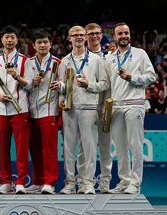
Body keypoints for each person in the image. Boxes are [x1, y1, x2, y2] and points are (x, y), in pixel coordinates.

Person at [103, 23, 156, 194]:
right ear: (115, 37)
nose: (123, 36)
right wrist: (106, 109)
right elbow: (107, 84)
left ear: (130, 35)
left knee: (135, 145)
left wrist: (132, 77)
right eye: (120, 33)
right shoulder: (110, 58)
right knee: (120, 147)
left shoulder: (140, 54)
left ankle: (135, 183)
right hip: (116, 105)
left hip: (134, 104)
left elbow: (151, 76)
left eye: (126, 33)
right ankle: (124, 182)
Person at [59, 26, 109, 195]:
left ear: (86, 37)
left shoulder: (96, 60)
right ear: (69, 38)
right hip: (70, 109)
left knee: (89, 148)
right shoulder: (64, 61)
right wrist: (60, 93)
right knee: (69, 148)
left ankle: (87, 183)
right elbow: (62, 87)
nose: (78, 38)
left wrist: (89, 85)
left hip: (89, 107)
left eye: (81, 35)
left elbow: (104, 84)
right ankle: (70, 183)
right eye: (75, 35)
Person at [0, 25, 33, 194]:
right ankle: (6, 182)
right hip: (0, 110)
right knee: (3, 149)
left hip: (20, 110)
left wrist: (17, 77)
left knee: (21, 149)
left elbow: (30, 85)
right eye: (6, 37)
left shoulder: (25, 60)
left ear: (16, 40)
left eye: (12, 37)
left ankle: (20, 182)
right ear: (2, 40)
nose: (9, 40)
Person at [74, 23, 115, 194]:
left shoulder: (110, 55)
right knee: (84, 147)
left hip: (105, 105)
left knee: (105, 146)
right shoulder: (80, 56)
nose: (94, 36)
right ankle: (83, 182)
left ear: (101, 35)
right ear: (85, 36)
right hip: (87, 105)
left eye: (97, 33)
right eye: (90, 34)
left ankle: (105, 182)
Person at [25, 29, 63, 194]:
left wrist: (61, 85)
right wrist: (31, 82)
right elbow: (23, 85)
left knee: (49, 149)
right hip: (30, 111)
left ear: (50, 44)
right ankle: (38, 181)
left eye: (45, 42)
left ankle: (50, 182)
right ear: (33, 45)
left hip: (50, 110)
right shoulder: (28, 63)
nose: (42, 45)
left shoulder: (58, 63)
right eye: (39, 42)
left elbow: (67, 84)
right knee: (33, 148)